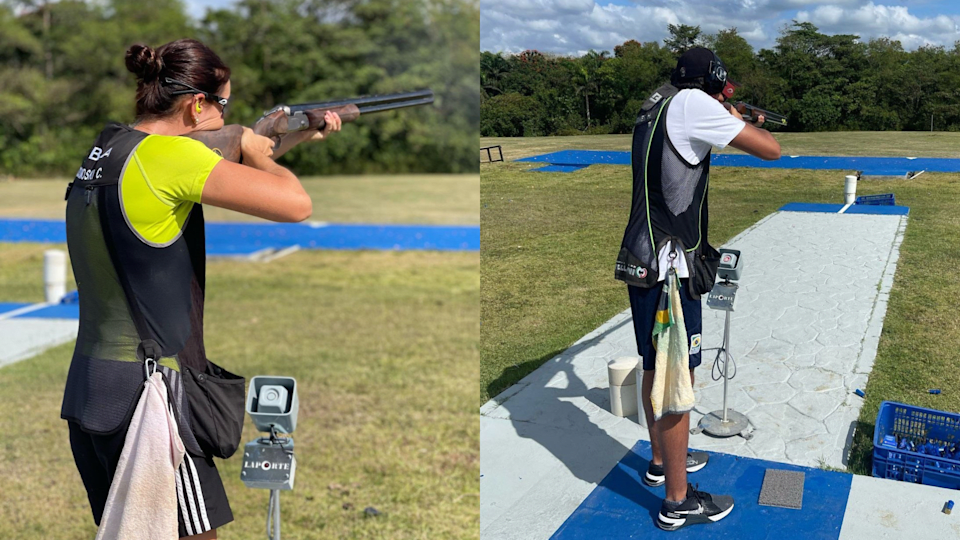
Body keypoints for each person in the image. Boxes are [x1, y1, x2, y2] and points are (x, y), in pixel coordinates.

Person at [60, 38, 341, 539]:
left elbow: (208, 168)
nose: (225, 114)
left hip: (91, 387)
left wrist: (271, 138)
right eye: (223, 103)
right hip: (150, 397)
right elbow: (295, 203)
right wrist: (261, 153)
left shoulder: (107, 149)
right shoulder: (170, 159)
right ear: (197, 103)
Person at [614, 46, 781, 531]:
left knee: (654, 365)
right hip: (669, 267)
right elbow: (771, 148)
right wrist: (730, 115)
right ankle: (678, 501)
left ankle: (662, 460)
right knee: (677, 379)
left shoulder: (657, 101)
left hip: (642, 257)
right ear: (712, 81)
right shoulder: (695, 105)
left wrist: (723, 113)